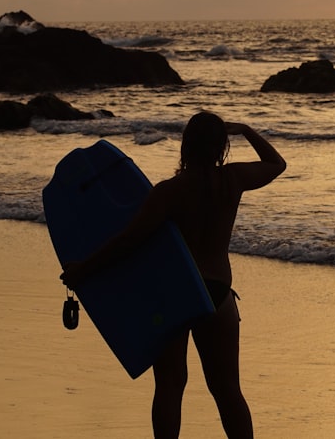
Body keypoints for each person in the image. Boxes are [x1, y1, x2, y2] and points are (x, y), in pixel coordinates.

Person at [60, 112, 286, 439]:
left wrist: (84, 269)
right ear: (220, 147)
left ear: (186, 144)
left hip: (176, 292)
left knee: (170, 385)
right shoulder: (232, 180)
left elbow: (128, 241)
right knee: (227, 391)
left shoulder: (170, 191)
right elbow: (276, 164)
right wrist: (247, 130)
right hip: (219, 293)